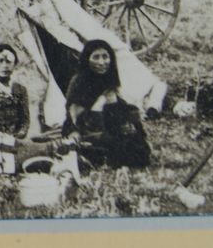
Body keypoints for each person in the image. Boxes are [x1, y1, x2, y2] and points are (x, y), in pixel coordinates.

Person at [63, 39, 151, 168]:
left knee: (137, 147)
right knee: (106, 149)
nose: (102, 62)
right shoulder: (79, 83)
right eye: (96, 57)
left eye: (105, 57)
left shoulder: (109, 79)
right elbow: (77, 119)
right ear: (87, 59)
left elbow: (119, 110)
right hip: (87, 131)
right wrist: (101, 105)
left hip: (109, 128)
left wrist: (126, 122)